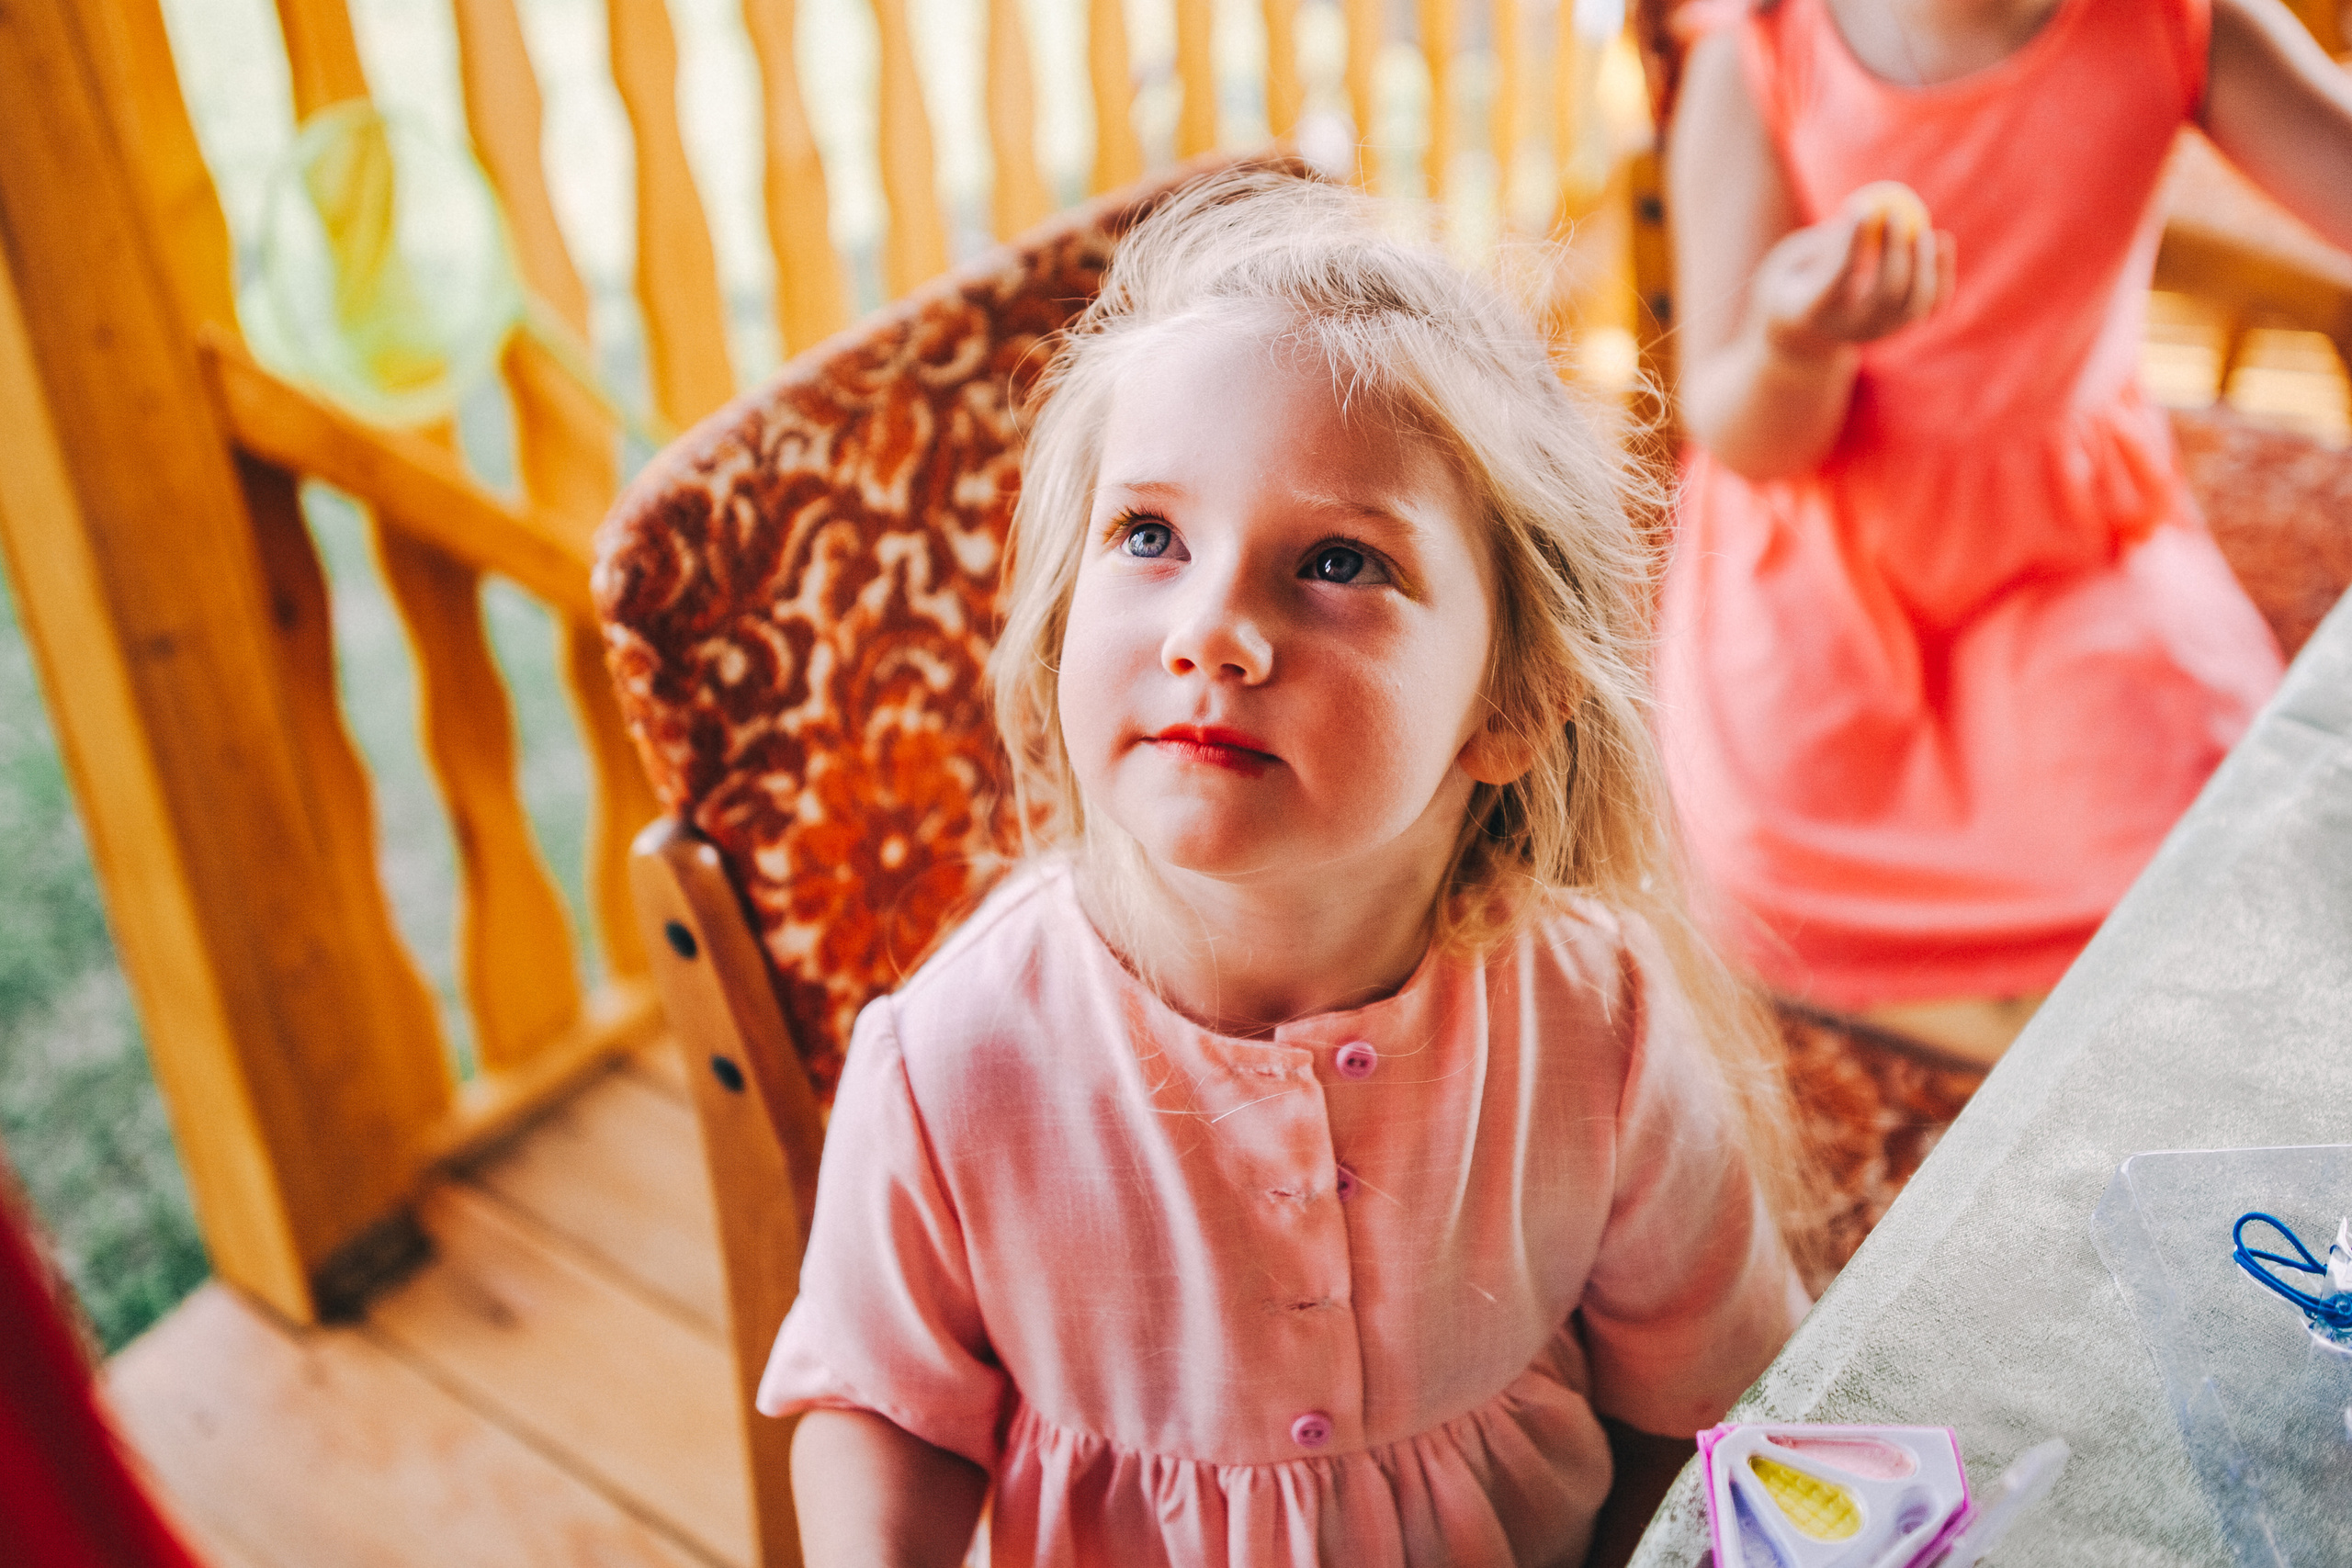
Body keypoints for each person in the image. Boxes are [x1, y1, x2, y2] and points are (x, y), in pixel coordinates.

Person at [755, 172, 1811, 1567]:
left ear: (1513, 698)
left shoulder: (1594, 1023)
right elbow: (879, 1401)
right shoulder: (954, 1060)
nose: (1212, 628)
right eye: (1149, 535)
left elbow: (1706, 1403)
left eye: (1334, 558)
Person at [1661, 0, 2352, 1061]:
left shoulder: (2175, 23)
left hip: (2071, 546)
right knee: (1767, 867)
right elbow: (1742, 429)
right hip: (1828, 557)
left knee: (2210, 851)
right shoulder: (1759, 49)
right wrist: (1799, 342)